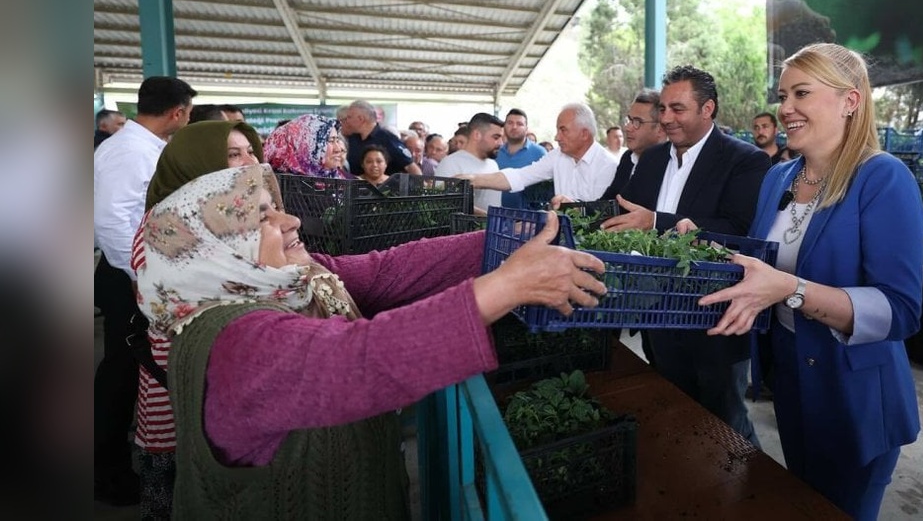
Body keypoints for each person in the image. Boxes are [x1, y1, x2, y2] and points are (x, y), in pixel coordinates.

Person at [138, 164, 604, 518]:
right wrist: (507, 286)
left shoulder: (294, 281)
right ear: (218, 252)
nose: (291, 219)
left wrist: (504, 241)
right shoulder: (235, 342)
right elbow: (360, 359)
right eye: (263, 216)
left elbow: (388, 271)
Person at [683, 44, 923, 519]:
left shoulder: (882, 178)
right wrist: (703, 242)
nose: (786, 108)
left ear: (850, 101)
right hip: (790, 376)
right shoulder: (779, 177)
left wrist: (791, 290)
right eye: (783, 95)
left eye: (801, 93)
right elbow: (764, 259)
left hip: (855, 394)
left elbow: (899, 310)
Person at [599, 66, 770, 448]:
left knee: (726, 422)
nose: (666, 118)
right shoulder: (653, 158)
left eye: (678, 109)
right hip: (658, 314)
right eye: (663, 109)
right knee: (675, 411)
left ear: (708, 109)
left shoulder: (745, 160)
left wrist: (656, 221)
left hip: (714, 318)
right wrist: (574, 210)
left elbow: (738, 230)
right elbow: (625, 211)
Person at [132, 119, 264, 519]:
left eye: (251, 151)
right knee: (175, 485)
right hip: (178, 374)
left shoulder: (234, 213)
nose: (250, 162)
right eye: (233, 154)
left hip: (225, 378)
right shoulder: (165, 225)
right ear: (196, 163)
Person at [94, 76, 196, 506]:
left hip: (137, 270)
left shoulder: (142, 147)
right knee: (120, 374)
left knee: (131, 371)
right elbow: (112, 219)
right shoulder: (131, 151)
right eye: (188, 113)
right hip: (127, 274)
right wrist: (138, 276)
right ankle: (107, 474)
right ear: (177, 112)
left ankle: (116, 464)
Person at [465, 103, 618, 203]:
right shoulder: (558, 156)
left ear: (584, 134)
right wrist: (472, 180)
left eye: (563, 130)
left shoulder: (608, 165)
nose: (557, 137)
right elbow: (521, 176)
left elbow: (599, 214)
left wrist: (574, 207)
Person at [550, 90, 666, 207]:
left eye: (637, 122)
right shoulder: (628, 158)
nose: (627, 128)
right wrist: (574, 206)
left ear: (660, 129)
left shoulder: (669, 166)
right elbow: (608, 204)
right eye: (629, 120)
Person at [435, 113, 505, 214]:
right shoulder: (450, 163)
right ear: (477, 135)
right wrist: (487, 216)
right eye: (496, 137)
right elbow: (442, 202)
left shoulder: (493, 164)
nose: (501, 143)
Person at [341, 100, 419, 176]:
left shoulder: (388, 139)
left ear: (361, 119)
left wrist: (420, 184)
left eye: (349, 117)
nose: (347, 121)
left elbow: (412, 168)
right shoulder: (352, 139)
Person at [264, 114, 351, 178]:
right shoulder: (282, 186)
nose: (338, 149)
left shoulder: (337, 179)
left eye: (337, 140)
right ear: (305, 147)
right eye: (331, 141)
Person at [495, 108, 548, 209]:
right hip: (496, 214)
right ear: (504, 126)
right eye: (510, 123)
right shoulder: (495, 152)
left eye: (519, 124)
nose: (514, 127)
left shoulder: (539, 153)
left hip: (530, 216)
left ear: (526, 129)